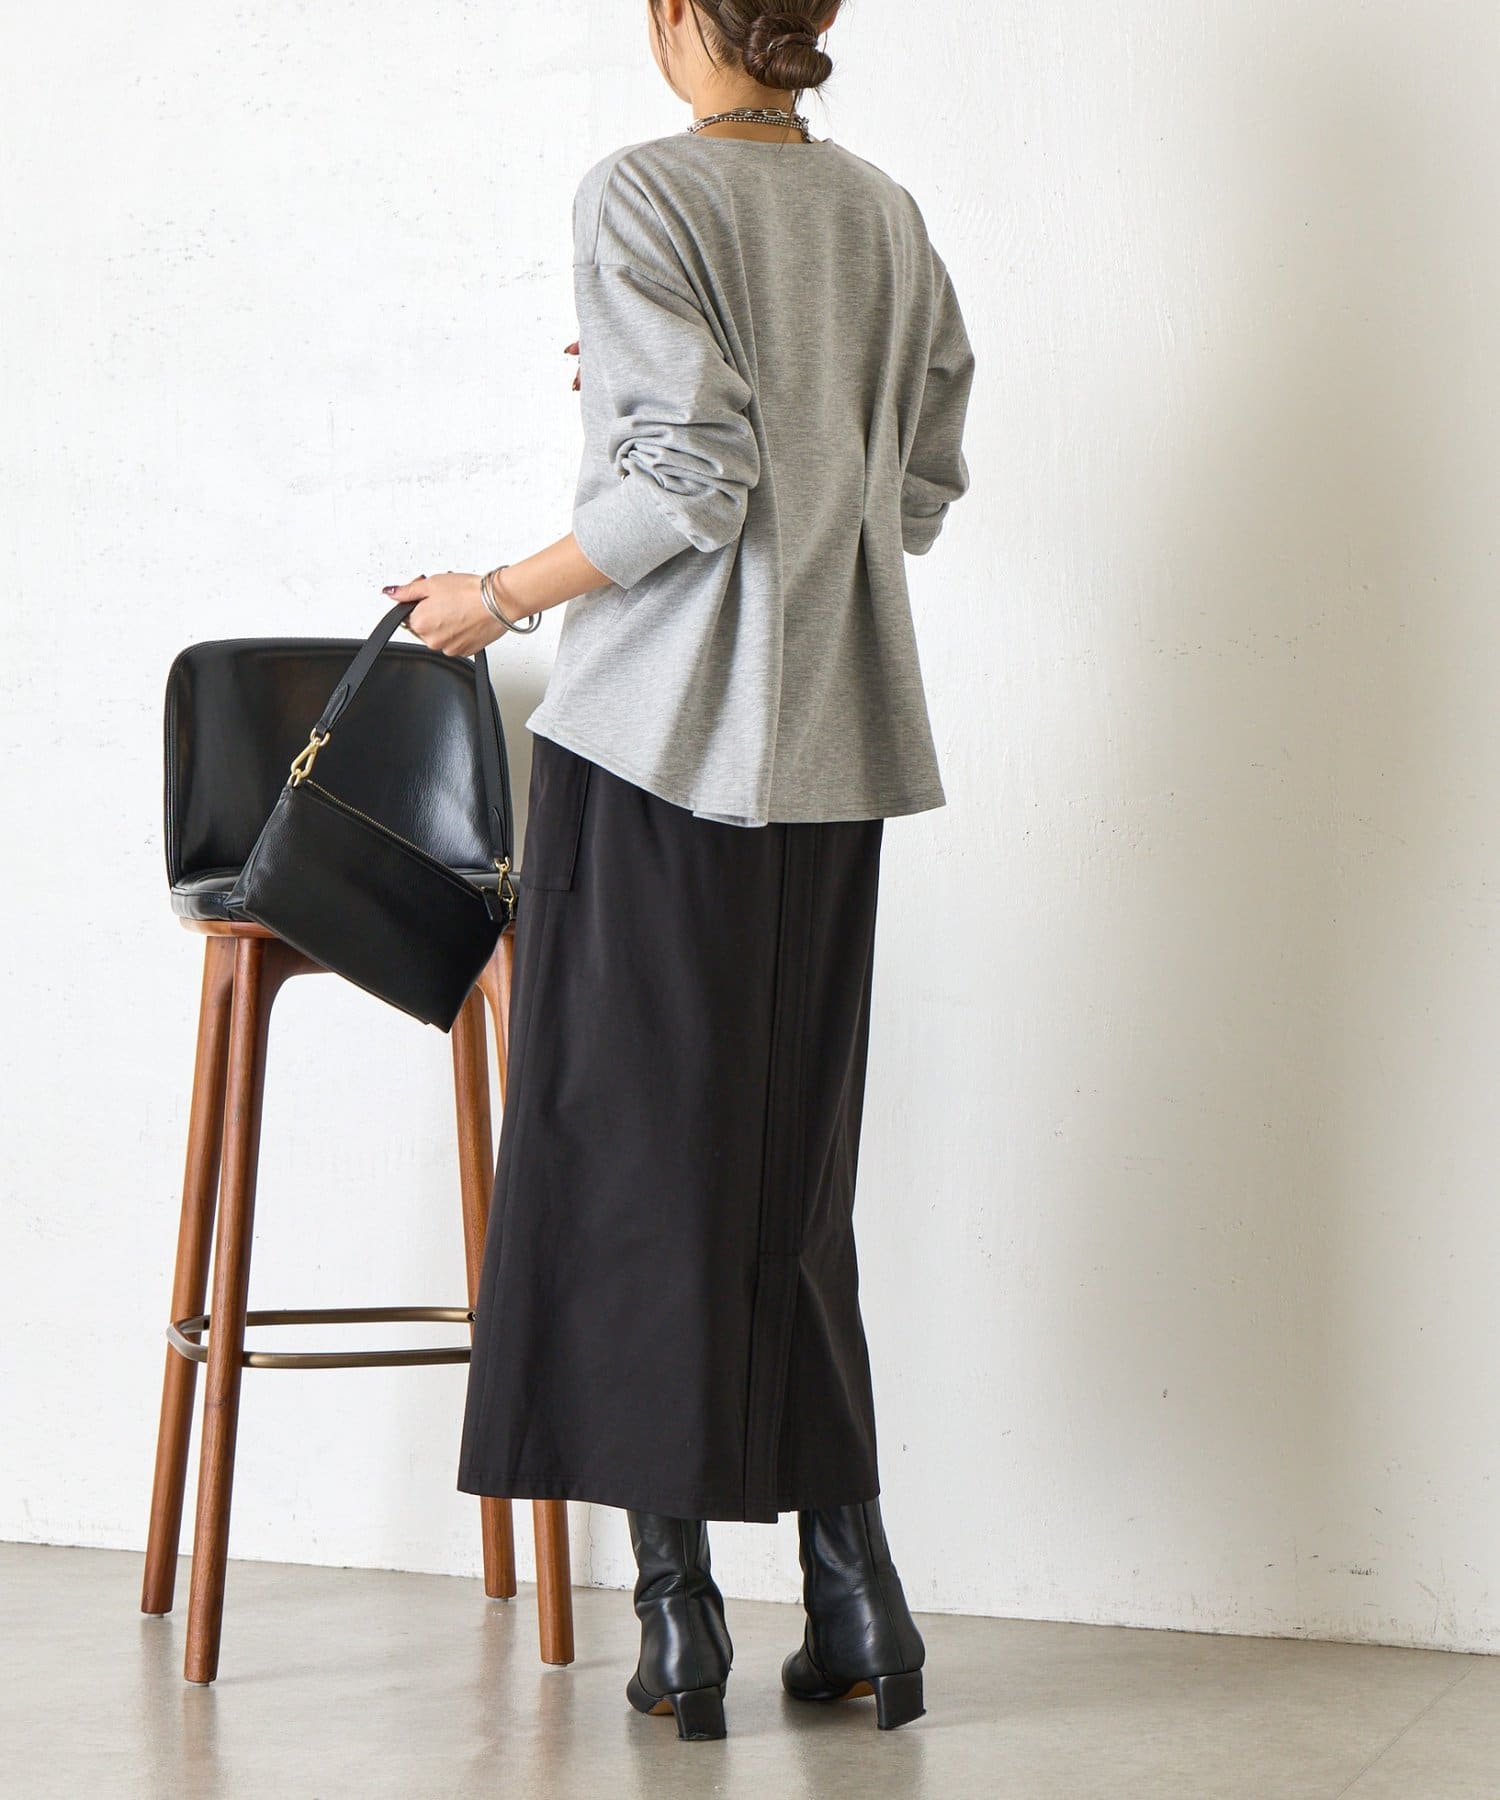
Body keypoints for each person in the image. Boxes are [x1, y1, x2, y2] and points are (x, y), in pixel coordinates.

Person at [383, 0, 975, 1744]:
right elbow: (919, 485)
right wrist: (810, 453)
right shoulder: (880, 211)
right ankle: (858, 1601)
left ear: (676, 17)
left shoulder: (643, 191)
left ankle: (679, 1620)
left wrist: (491, 598)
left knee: (627, 1163)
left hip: (659, 746)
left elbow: (687, 484)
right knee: (788, 1177)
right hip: (838, 754)